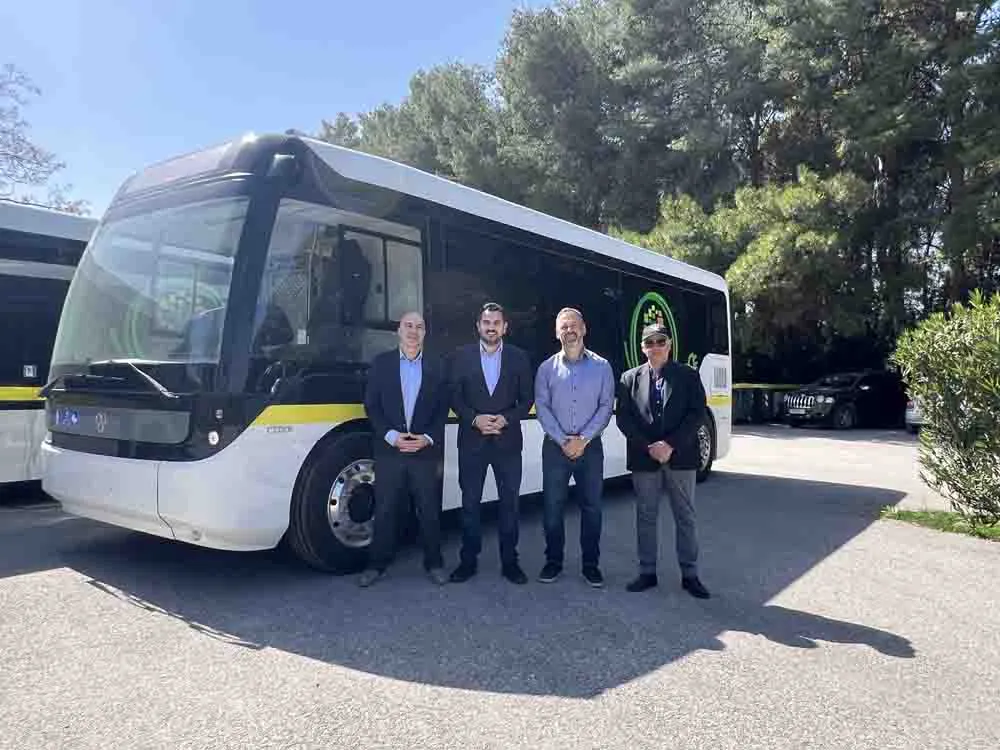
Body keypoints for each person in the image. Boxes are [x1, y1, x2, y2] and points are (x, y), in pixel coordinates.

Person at [615, 323, 711, 599]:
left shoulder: (688, 376)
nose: (655, 347)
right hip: (644, 458)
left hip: (680, 457)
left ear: (669, 344)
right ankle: (647, 572)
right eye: (650, 342)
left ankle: (690, 575)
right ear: (642, 348)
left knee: (685, 516)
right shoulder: (628, 379)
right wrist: (648, 447)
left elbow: (697, 414)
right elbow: (624, 419)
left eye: (660, 341)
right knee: (646, 516)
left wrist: (670, 445)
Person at [359, 311, 451, 587]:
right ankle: (376, 565)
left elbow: (442, 409)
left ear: (425, 333)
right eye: (408, 326)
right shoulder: (381, 364)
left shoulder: (438, 366)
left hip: (424, 451)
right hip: (390, 450)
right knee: (385, 509)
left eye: (419, 327)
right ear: (399, 331)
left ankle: (434, 563)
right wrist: (391, 436)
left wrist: (428, 438)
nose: (413, 331)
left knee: (429, 509)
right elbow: (371, 405)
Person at [448, 302, 534, 585]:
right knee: (470, 503)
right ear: (478, 326)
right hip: (471, 440)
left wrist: (506, 419)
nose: (491, 327)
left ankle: (510, 562)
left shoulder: (519, 357)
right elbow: (454, 396)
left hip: (507, 441)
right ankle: (467, 561)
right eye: (486, 322)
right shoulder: (461, 356)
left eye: (496, 323)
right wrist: (474, 419)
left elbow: (527, 398)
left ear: (505, 327)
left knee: (510, 504)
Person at [534, 307, 615, 587]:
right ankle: (553, 562)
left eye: (574, 325)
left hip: (590, 449)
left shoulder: (602, 367)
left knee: (592, 508)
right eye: (564, 327)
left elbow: (606, 407)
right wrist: (563, 440)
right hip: (555, 448)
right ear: (557, 333)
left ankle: (591, 565)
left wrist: (584, 439)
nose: (569, 330)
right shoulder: (546, 369)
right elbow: (542, 408)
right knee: (552, 508)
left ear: (584, 329)